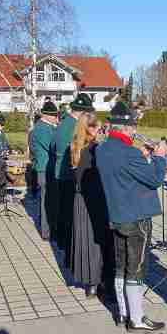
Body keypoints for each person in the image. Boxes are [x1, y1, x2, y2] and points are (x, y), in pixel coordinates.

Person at [96, 101, 167, 333]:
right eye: (133, 127)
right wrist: (159, 157)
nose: (135, 131)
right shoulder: (129, 153)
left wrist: (143, 156)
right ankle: (136, 319)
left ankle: (123, 313)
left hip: (116, 215)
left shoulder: (102, 149)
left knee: (121, 266)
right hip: (137, 217)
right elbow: (155, 179)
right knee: (136, 268)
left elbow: (124, 173)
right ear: (126, 128)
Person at [67, 112, 113, 298]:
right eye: (98, 128)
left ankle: (90, 284)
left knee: (85, 240)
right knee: (97, 240)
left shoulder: (75, 146)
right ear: (91, 128)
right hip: (95, 198)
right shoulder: (95, 148)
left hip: (79, 199)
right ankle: (101, 281)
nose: (100, 131)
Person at [53, 93, 95, 251]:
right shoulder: (74, 126)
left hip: (60, 171)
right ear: (83, 112)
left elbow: (53, 146)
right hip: (69, 174)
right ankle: (66, 243)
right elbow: (78, 151)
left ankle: (61, 241)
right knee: (68, 213)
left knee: (62, 209)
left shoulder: (63, 122)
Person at [30, 101, 59, 241]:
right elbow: (53, 147)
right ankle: (47, 232)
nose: (56, 118)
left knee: (47, 200)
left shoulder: (44, 127)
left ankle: (47, 228)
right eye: (54, 116)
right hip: (45, 169)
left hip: (45, 168)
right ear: (46, 115)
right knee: (47, 202)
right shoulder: (42, 128)